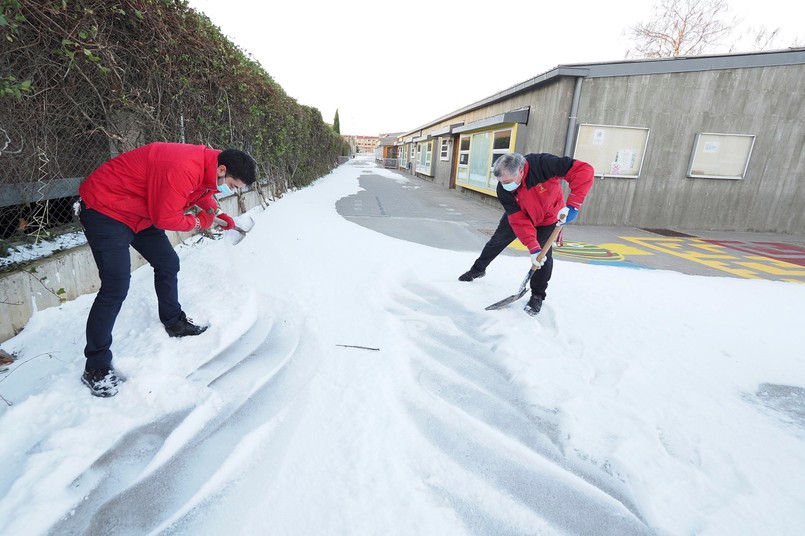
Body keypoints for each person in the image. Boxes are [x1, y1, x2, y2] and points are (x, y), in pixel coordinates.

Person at [77, 142, 257, 397]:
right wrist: (200, 222)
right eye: (232, 184)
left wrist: (214, 212)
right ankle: (95, 367)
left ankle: (174, 322)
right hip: (106, 209)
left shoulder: (209, 166)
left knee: (168, 263)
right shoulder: (182, 167)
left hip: (140, 211)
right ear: (222, 169)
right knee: (115, 286)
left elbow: (200, 193)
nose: (232, 189)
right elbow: (166, 217)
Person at [459, 152, 594, 316]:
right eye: (501, 182)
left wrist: (573, 205)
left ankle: (537, 295)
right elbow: (519, 221)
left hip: (549, 217)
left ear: (521, 171)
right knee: (497, 241)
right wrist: (532, 247)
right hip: (521, 215)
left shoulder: (543, 164)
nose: (504, 185)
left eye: (508, 182)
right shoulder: (503, 189)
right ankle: (478, 269)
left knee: (543, 258)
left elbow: (583, 170)